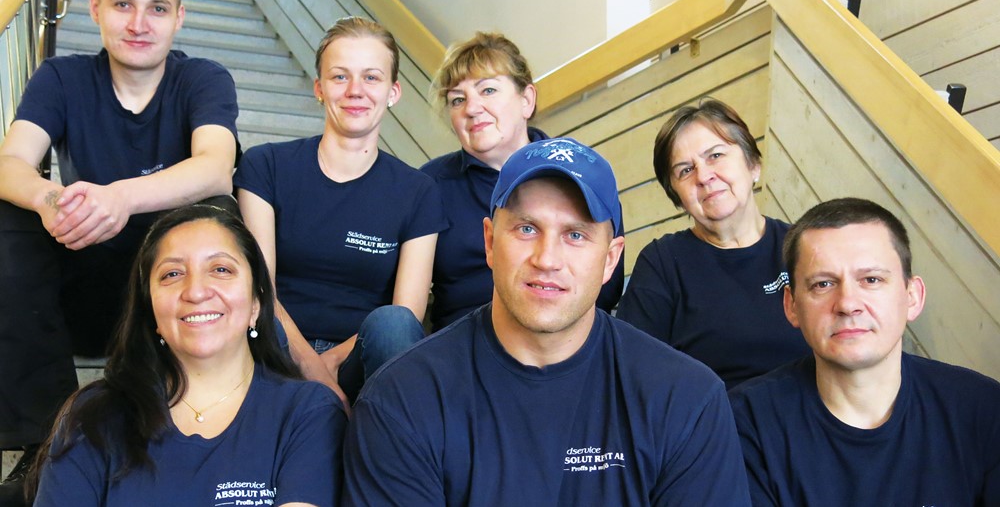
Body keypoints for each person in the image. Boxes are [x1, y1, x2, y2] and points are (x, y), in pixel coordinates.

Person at [344, 137, 750, 505]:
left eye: (575, 235)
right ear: (490, 242)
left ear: (610, 259)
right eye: (526, 228)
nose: (547, 259)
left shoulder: (686, 400)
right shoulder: (402, 398)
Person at [0, 0, 239, 493]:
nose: (138, 24)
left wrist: (119, 198)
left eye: (157, 8)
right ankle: (45, 438)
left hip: (168, 296)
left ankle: (196, 418)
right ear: (95, 8)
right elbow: (9, 162)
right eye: (123, 4)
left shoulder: (202, 78)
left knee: (219, 211)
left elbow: (215, 166)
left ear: (178, 17)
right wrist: (49, 199)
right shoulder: (61, 77)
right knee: (9, 215)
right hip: (82, 294)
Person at [27, 204, 346, 506]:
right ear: (151, 310)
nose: (195, 291)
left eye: (220, 269)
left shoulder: (308, 413)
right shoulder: (94, 415)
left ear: (256, 304)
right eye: (172, 274)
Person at [729, 198, 1000, 506]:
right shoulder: (744, 424)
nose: (847, 303)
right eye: (823, 284)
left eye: (871, 280)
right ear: (791, 305)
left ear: (912, 297)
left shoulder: (984, 410)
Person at [234, 17, 446, 404]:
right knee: (252, 309)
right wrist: (315, 373)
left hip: (358, 362)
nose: (355, 91)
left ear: (393, 92)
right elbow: (260, 290)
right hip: (273, 347)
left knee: (395, 324)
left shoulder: (418, 191)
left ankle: (387, 436)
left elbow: (408, 310)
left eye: (371, 77)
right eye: (339, 77)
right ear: (319, 88)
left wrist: (331, 364)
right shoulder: (266, 166)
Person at [420, 32, 624, 332]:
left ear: (526, 100)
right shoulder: (429, 185)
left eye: (488, 90)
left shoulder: (584, 175)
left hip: (562, 336)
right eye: (458, 100)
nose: (471, 109)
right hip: (461, 343)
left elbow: (607, 291)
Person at [617, 99, 809, 388]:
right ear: (678, 197)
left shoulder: (803, 249)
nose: (704, 176)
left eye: (715, 155)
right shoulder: (662, 263)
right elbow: (634, 373)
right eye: (685, 170)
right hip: (717, 416)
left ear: (753, 165)